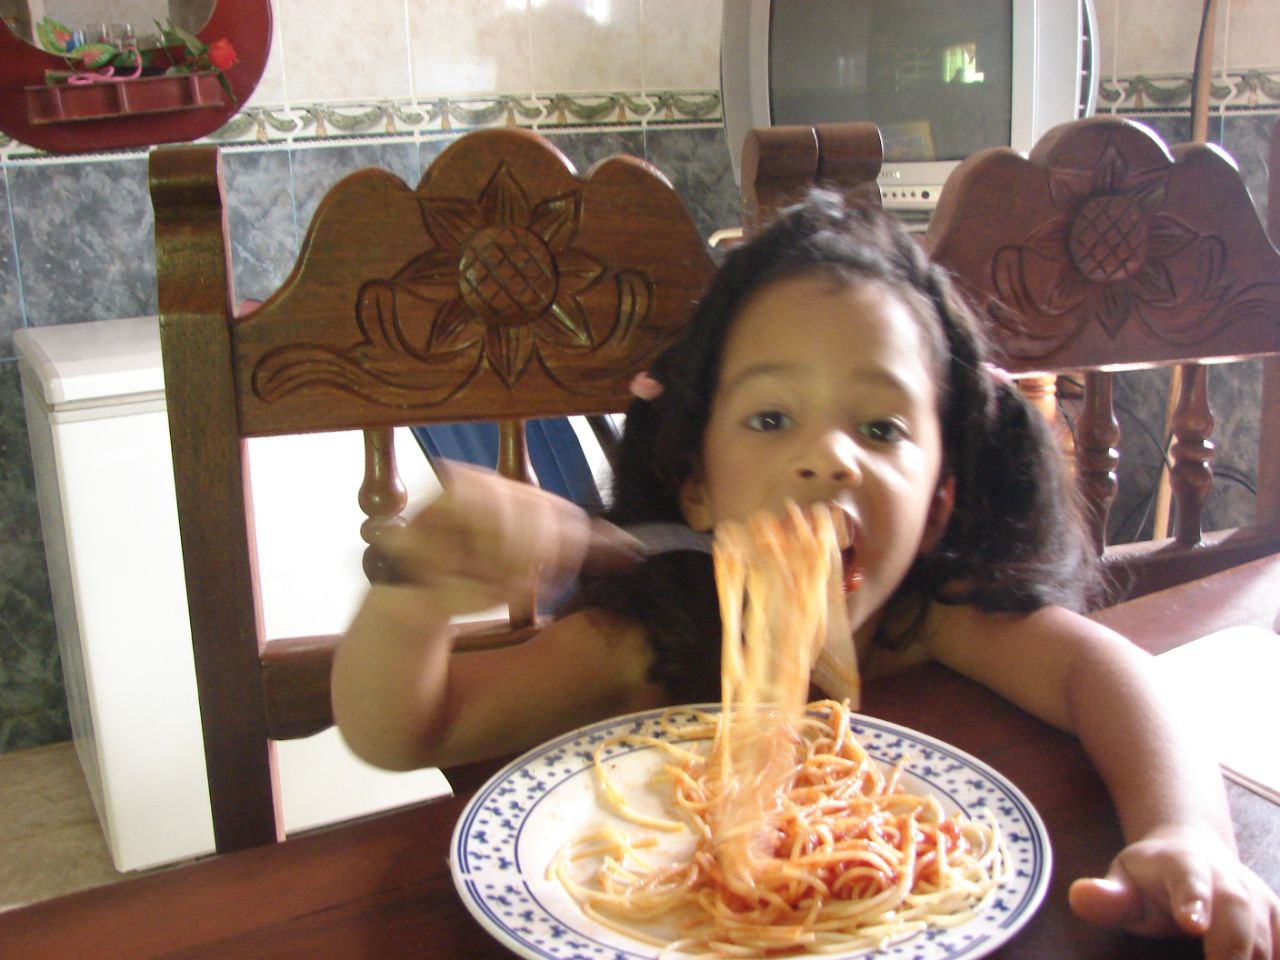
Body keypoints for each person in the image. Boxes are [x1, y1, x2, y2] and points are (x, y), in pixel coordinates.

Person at [332, 193, 1279, 958]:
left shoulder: (929, 619)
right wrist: (417, 590)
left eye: (880, 428)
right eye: (771, 419)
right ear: (696, 486)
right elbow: (412, 727)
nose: (830, 459)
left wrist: (1186, 835)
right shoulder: (648, 645)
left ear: (939, 500)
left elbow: (1109, 677)